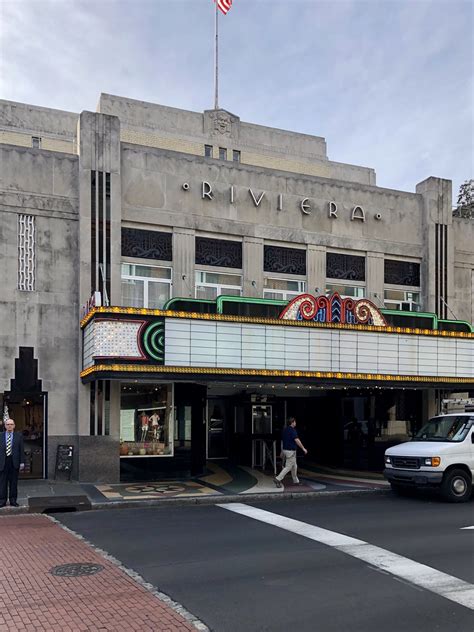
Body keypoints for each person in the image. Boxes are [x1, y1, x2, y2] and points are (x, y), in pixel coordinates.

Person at [274, 417, 308, 487]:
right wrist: (303, 448)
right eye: (295, 422)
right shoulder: (293, 430)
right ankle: (278, 479)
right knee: (288, 467)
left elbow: (283, 441)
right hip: (291, 451)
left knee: (294, 466)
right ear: (292, 422)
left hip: (285, 450)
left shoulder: (284, 430)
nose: (296, 423)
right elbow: (297, 440)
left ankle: (296, 481)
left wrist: (282, 451)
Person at [0, 418, 25, 507]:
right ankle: (2, 500)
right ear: (5, 426)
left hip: (14, 462)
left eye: (11, 424)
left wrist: (22, 462)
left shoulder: (19, 436)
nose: (9, 426)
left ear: (14, 426)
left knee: (13, 482)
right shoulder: (1, 435)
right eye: (8, 424)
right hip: (3, 461)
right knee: (2, 482)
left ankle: (13, 500)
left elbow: (21, 450)